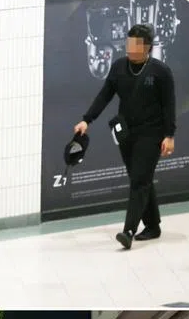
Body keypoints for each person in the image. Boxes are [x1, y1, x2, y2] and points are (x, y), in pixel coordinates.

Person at [74, 23, 176, 250]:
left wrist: (169, 135)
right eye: (128, 43)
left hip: (152, 133)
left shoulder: (160, 72)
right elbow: (105, 95)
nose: (129, 48)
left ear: (147, 47)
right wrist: (86, 120)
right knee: (140, 178)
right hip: (126, 133)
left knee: (140, 179)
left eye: (135, 44)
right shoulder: (119, 67)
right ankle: (153, 225)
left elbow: (169, 107)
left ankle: (128, 231)